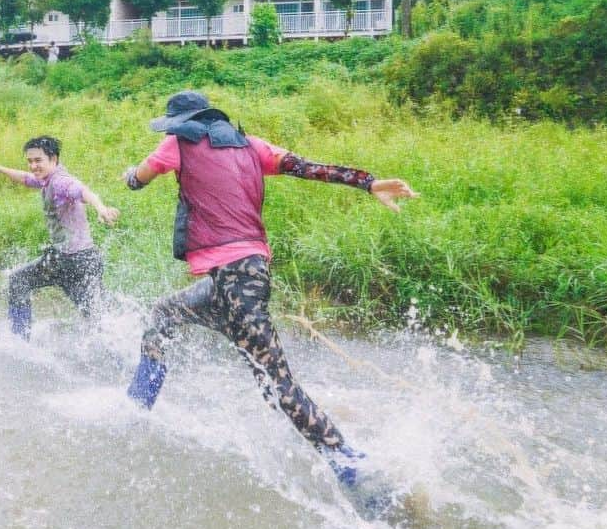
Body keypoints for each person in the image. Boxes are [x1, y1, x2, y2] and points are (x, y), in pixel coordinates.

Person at [121, 91, 418, 487]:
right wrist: (367, 183)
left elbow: (137, 180)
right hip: (236, 279)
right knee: (163, 314)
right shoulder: (252, 145)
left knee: (276, 384)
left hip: (238, 281)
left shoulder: (177, 143)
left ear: (182, 123)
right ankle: (137, 408)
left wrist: (128, 174)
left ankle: (348, 461)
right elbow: (307, 167)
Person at [0, 136, 120, 340]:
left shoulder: (61, 182)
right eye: (30, 161)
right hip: (66, 260)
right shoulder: (47, 179)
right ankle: (20, 340)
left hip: (78, 262)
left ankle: (20, 341)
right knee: (95, 314)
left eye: (38, 160)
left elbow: (83, 191)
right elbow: (25, 178)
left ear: (54, 159)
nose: (33, 166)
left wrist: (101, 208)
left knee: (96, 317)